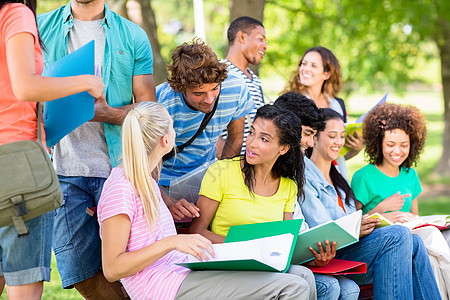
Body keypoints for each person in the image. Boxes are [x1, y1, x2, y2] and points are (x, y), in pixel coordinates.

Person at [97, 101, 313, 300]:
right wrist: (172, 242)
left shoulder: (147, 183)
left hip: (182, 269)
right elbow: (112, 269)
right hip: (162, 285)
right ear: (166, 140)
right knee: (295, 287)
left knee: (304, 277)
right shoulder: (120, 187)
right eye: (172, 126)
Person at [37, 0, 155, 297]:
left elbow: (148, 106)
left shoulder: (132, 35)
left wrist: (107, 113)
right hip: (62, 168)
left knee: (129, 266)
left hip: (118, 168)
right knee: (79, 270)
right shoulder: (39, 28)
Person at [0, 0, 104, 298]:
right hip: (18, 168)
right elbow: (24, 87)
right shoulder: (15, 13)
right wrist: (86, 81)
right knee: (24, 283)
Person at [300, 108, 441, 299]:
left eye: (342, 136)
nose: (339, 142)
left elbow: (353, 218)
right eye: (332, 136)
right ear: (314, 138)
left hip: (353, 245)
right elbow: (323, 230)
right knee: (398, 235)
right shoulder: (307, 177)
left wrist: (366, 222)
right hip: (332, 254)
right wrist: (364, 223)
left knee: (414, 240)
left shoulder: (338, 177)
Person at [351, 103, 450, 299]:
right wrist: (382, 209)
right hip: (380, 239)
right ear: (378, 143)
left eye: (404, 145)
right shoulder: (363, 177)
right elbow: (352, 224)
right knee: (432, 241)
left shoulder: (410, 175)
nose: (398, 151)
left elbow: (415, 216)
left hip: (412, 235)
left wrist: (409, 218)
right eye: (391, 145)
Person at [273, 92, 359, 300]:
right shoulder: (294, 171)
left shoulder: (300, 169)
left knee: (349, 289)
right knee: (331, 287)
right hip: (277, 256)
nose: (310, 143)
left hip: (306, 253)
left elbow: (301, 227)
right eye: (308, 133)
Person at [156, 38, 253, 209]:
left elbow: (236, 138)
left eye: (214, 89)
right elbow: (142, 160)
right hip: (162, 180)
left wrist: (221, 182)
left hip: (207, 174)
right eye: (198, 93)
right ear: (180, 88)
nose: (209, 100)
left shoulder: (236, 87)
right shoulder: (162, 102)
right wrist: (166, 202)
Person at [284, 46, 363, 178]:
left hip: (335, 178)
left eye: (313, 65)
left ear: (326, 74)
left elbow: (336, 155)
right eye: (304, 64)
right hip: (303, 177)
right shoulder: (290, 103)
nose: (306, 69)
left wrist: (355, 149)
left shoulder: (339, 106)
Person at [217, 16, 267, 156]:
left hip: (251, 165)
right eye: (260, 39)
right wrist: (228, 162)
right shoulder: (219, 73)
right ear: (242, 37)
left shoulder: (255, 80)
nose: (265, 46)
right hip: (230, 167)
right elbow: (205, 127)